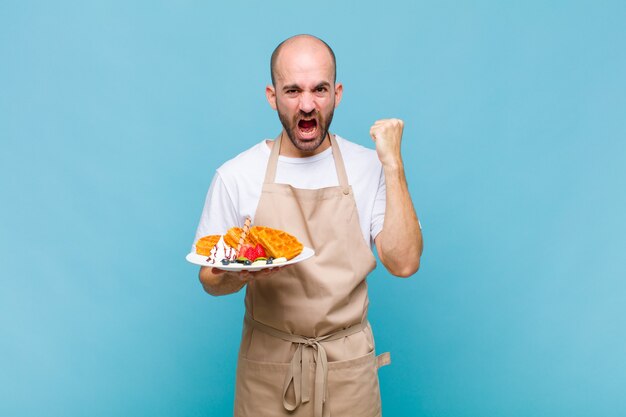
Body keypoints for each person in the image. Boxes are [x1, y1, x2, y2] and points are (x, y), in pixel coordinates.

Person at [192, 34, 422, 417]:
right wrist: (243, 272)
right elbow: (209, 280)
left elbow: (404, 263)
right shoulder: (237, 175)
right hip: (268, 368)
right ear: (272, 96)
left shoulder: (370, 167)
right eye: (292, 90)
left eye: (319, 89)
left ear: (337, 93)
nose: (307, 104)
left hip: (348, 371)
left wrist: (393, 164)